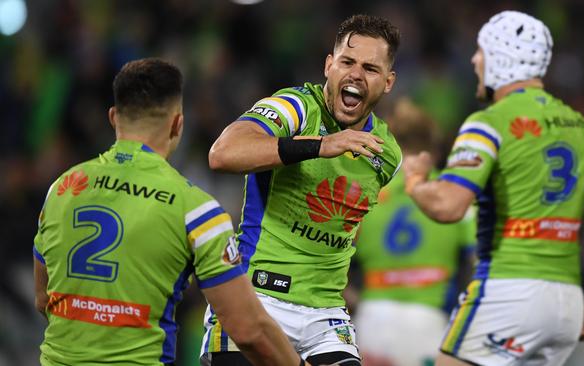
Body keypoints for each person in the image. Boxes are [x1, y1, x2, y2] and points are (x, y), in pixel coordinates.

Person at [402, 10, 584, 366]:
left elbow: (448, 206)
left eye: (481, 51)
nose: (474, 61)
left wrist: (415, 181)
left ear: (501, 58)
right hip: (566, 306)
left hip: (507, 292)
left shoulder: (488, 123)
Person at [33, 58, 303, 366]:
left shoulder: (62, 189)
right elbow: (248, 330)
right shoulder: (196, 211)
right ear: (178, 124)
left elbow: (44, 299)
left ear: (113, 118)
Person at [200, 14, 402, 366]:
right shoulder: (296, 107)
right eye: (347, 62)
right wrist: (320, 145)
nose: (355, 74)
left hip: (324, 316)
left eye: (370, 68)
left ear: (388, 82)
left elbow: (346, 227)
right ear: (329, 66)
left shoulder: (386, 155)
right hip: (256, 297)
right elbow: (223, 154)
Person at [349, 97, 476, 366]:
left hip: (371, 320)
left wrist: (355, 303)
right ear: (434, 150)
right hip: (428, 322)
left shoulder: (366, 194)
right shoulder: (453, 195)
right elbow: (479, 264)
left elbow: (329, 262)